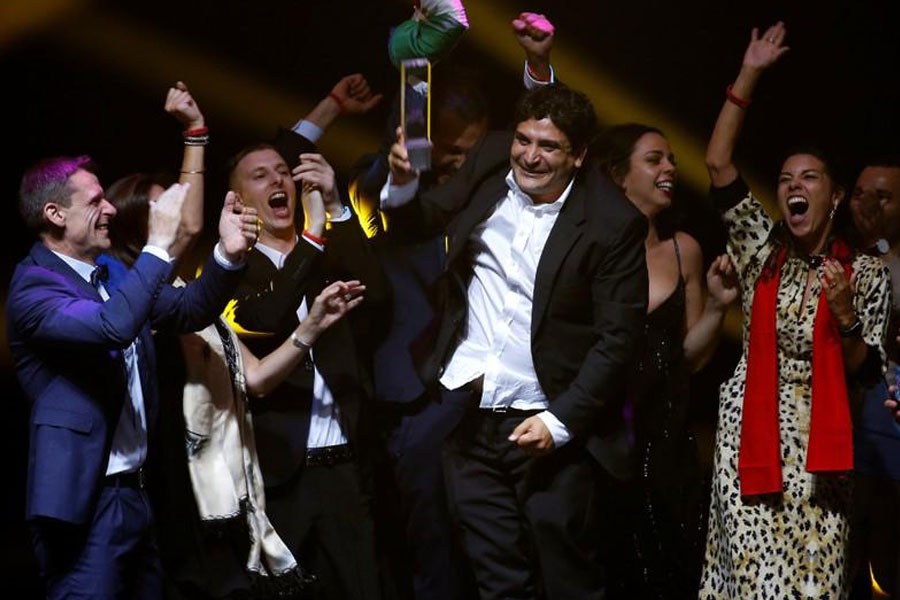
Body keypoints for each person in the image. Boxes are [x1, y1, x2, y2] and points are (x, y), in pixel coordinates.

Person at [382, 82, 648, 599]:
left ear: (578, 155)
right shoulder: (488, 170)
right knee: (497, 581)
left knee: (568, 581)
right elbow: (421, 221)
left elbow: (618, 340)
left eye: (548, 147)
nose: (530, 155)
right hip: (470, 420)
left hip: (548, 429)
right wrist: (401, 182)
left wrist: (560, 421)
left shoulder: (613, 225)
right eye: (524, 139)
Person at [351, 13, 556, 600]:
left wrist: (538, 69)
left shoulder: (491, 185)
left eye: (472, 151)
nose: (460, 164)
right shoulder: (386, 180)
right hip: (416, 395)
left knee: (498, 548)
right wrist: (418, 61)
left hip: (485, 393)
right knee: (429, 550)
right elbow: (410, 154)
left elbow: (543, 137)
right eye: (450, 151)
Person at [6, 154, 258, 599]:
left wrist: (227, 256)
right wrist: (159, 243)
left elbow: (188, 310)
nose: (111, 210)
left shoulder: (115, 274)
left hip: (137, 494)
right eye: (96, 201)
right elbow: (111, 326)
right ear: (55, 214)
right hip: (85, 504)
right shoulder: (34, 286)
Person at [698, 22, 892, 599]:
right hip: (747, 443)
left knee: (814, 586)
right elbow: (716, 163)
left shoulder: (867, 273)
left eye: (809, 177)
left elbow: (863, 365)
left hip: (822, 456)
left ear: (834, 195)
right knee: (754, 585)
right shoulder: (760, 251)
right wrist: (750, 72)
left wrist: (845, 311)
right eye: (785, 179)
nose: (793, 186)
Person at [224, 130, 391, 600]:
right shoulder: (230, 268)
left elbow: (377, 294)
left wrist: (336, 208)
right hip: (281, 476)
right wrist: (313, 237)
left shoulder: (329, 249)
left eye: (284, 171)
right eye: (261, 176)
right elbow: (265, 318)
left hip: (347, 465)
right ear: (237, 199)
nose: (279, 180)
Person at [593, 123, 738, 599]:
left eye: (672, 159)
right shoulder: (588, 248)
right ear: (618, 175)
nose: (670, 168)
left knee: (669, 573)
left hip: (666, 447)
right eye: (654, 160)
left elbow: (690, 359)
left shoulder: (684, 250)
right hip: (602, 443)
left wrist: (718, 308)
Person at [847, 155, 900, 598]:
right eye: (861, 194)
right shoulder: (834, 257)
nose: (869, 205)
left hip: (887, 441)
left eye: (884, 197)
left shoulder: (889, 265)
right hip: (835, 440)